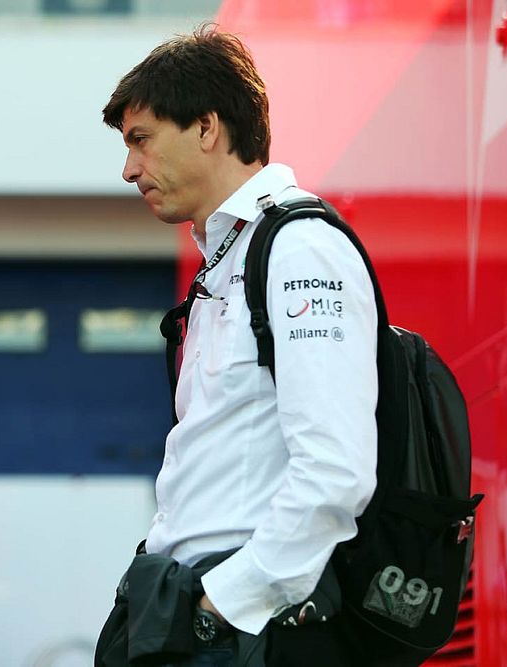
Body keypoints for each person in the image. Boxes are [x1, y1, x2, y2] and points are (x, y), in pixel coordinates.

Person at [95, 26, 378, 666]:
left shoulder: (299, 247)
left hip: (246, 627)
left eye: (141, 140)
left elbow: (336, 470)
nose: (129, 168)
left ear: (206, 128)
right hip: (200, 610)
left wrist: (220, 605)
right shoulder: (232, 256)